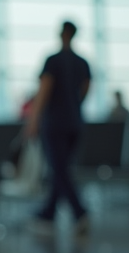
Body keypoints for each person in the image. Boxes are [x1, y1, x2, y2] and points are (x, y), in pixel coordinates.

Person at [25, 20, 91, 236]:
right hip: (75, 123)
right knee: (60, 170)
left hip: (54, 123)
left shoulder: (52, 61)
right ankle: (48, 213)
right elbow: (85, 90)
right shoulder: (82, 63)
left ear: (60, 34)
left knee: (59, 170)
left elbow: (44, 91)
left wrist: (34, 120)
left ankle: (79, 212)